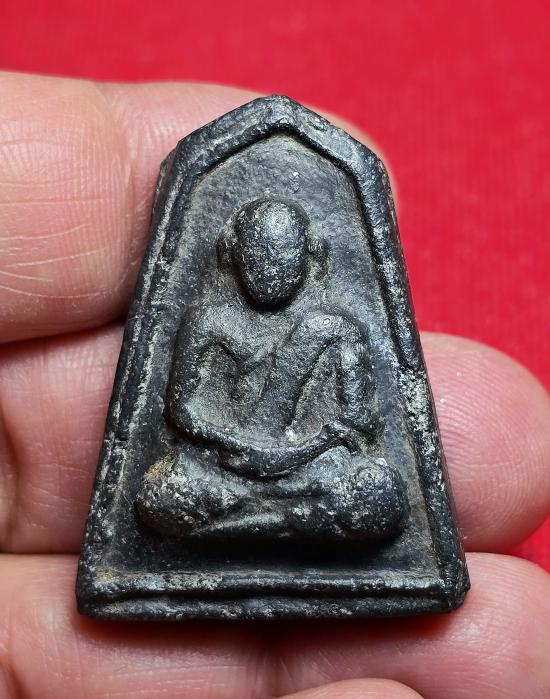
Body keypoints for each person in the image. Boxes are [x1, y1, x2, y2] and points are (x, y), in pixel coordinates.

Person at [0, 72, 549, 699]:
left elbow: (360, 425)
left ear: (307, 260)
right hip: (226, 468)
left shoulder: (334, 329)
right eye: (258, 258)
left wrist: (301, 451)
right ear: (234, 256)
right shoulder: (209, 320)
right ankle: (283, 524)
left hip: (308, 469)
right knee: (163, 493)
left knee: (379, 493)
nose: (270, 273)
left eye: (283, 260)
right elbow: (183, 413)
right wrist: (242, 449)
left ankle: (253, 525)